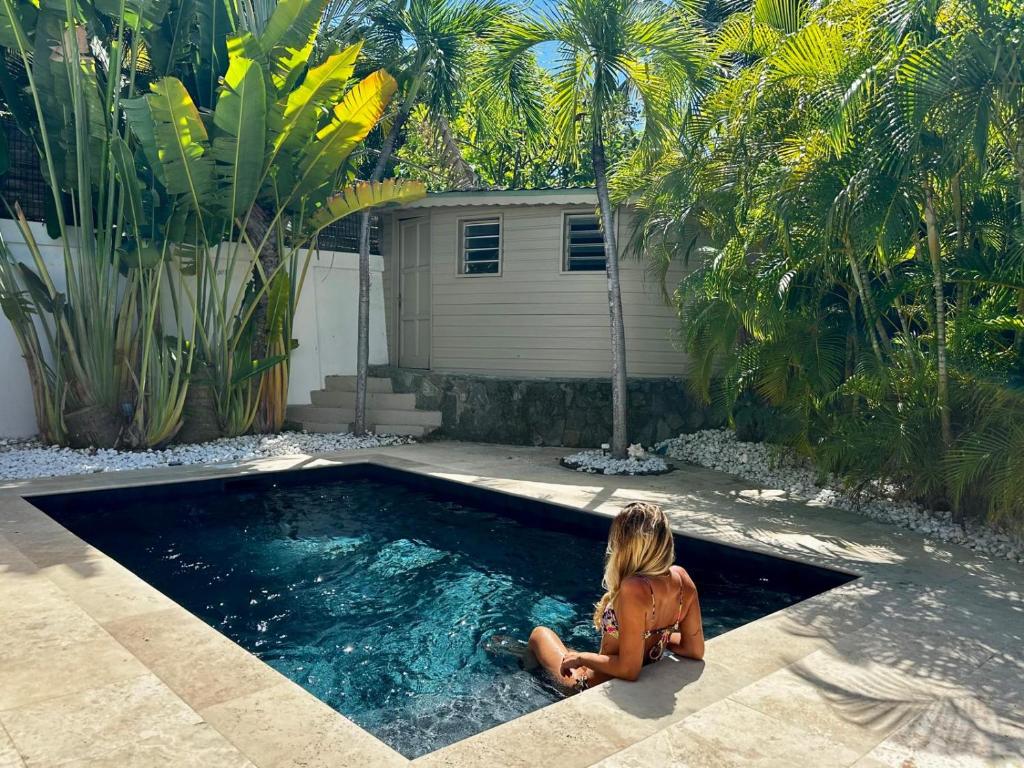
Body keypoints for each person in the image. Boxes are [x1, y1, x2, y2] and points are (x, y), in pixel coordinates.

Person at [529, 501, 704, 691]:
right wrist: (660, 636)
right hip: (631, 670)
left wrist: (582, 658)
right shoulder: (682, 580)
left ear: (625, 545)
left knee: (540, 634)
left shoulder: (634, 589)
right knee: (567, 652)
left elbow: (629, 670)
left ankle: (528, 666)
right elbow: (694, 650)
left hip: (587, 685)